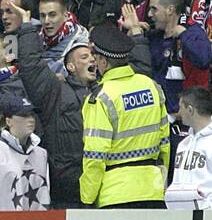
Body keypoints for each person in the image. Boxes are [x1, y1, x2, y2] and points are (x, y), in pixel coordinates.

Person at [80, 24, 170, 209]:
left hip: (115, 195)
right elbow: (165, 143)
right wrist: (161, 182)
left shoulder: (101, 98)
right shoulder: (150, 86)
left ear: (103, 62)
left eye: (95, 58)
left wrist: (87, 199)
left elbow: (95, 156)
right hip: (153, 190)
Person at [166, 86, 212, 209]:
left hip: (207, 218)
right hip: (181, 218)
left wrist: (207, 208)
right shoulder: (183, 144)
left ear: (190, 110)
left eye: (181, 108)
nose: (179, 112)